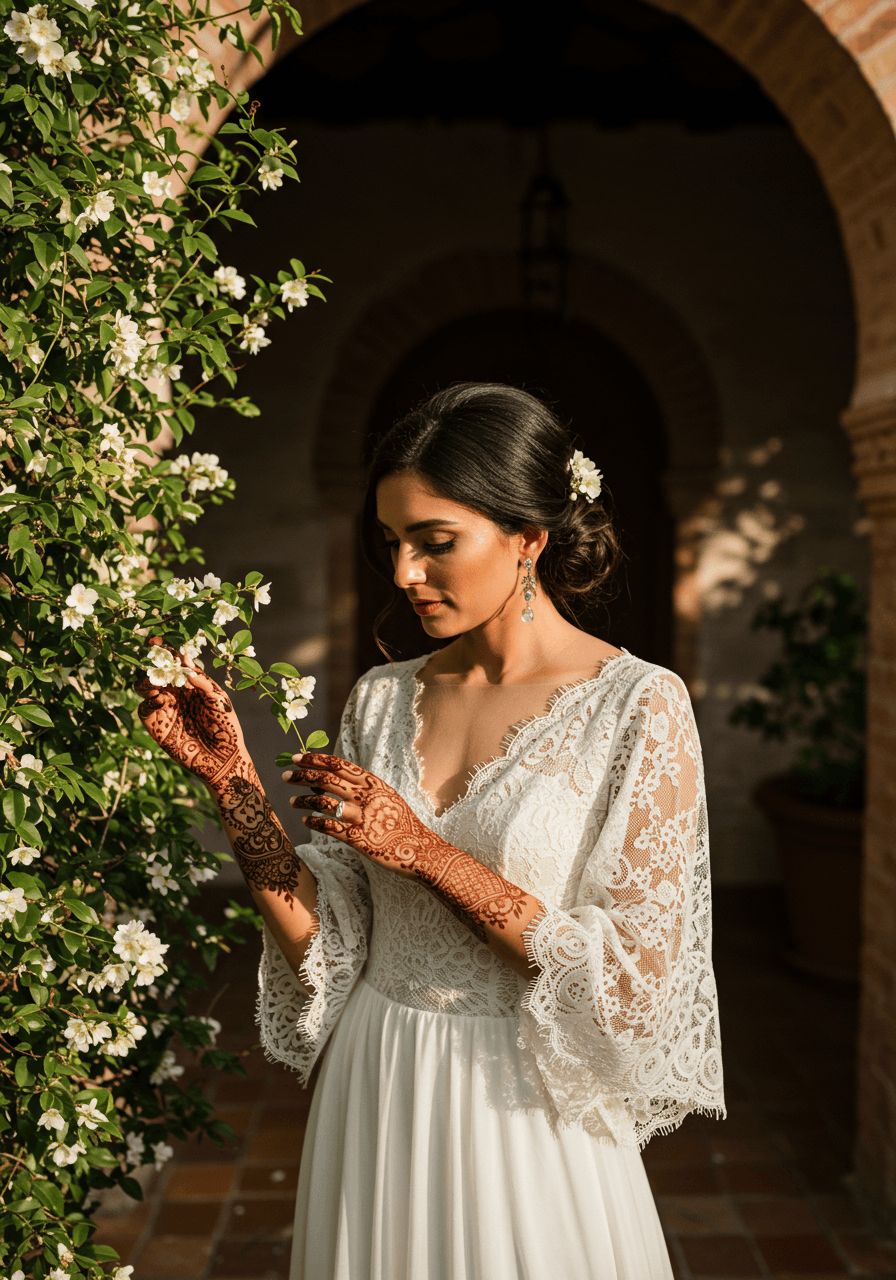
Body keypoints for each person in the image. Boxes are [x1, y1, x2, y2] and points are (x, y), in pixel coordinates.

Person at [138, 383, 725, 1280]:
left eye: (434, 542)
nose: (405, 572)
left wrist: (424, 852)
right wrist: (233, 786)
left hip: (529, 1105)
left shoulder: (639, 706)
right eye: (392, 543)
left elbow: (637, 988)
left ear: (528, 538)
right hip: (381, 1076)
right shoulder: (383, 697)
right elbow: (328, 946)